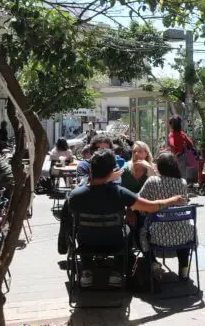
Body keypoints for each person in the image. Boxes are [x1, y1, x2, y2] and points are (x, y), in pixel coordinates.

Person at [68, 149, 186, 288]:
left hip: (85, 244)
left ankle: (87, 271)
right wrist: (172, 200)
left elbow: (68, 222)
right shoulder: (120, 193)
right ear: (112, 171)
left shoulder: (75, 196)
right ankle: (116, 272)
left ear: (90, 169)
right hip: (115, 243)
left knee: (79, 229)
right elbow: (151, 207)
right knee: (129, 228)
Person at [137, 152, 194, 281]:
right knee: (182, 231)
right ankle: (184, 270)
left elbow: (139, 202)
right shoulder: (182, 183)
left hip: (158, 235)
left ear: (160, 167)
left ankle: (152, 262)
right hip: (183, 235)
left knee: (139, 232)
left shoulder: (152, 181)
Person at [167, 115, 194, 179]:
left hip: (174, 157)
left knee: (173, 175)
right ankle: (183, 188)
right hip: (182, 156)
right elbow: (191, 144)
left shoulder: (171, 135)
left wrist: (172, 149)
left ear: (171, 125)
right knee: (182, 175)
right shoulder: (182, 134)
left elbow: (172, 143)